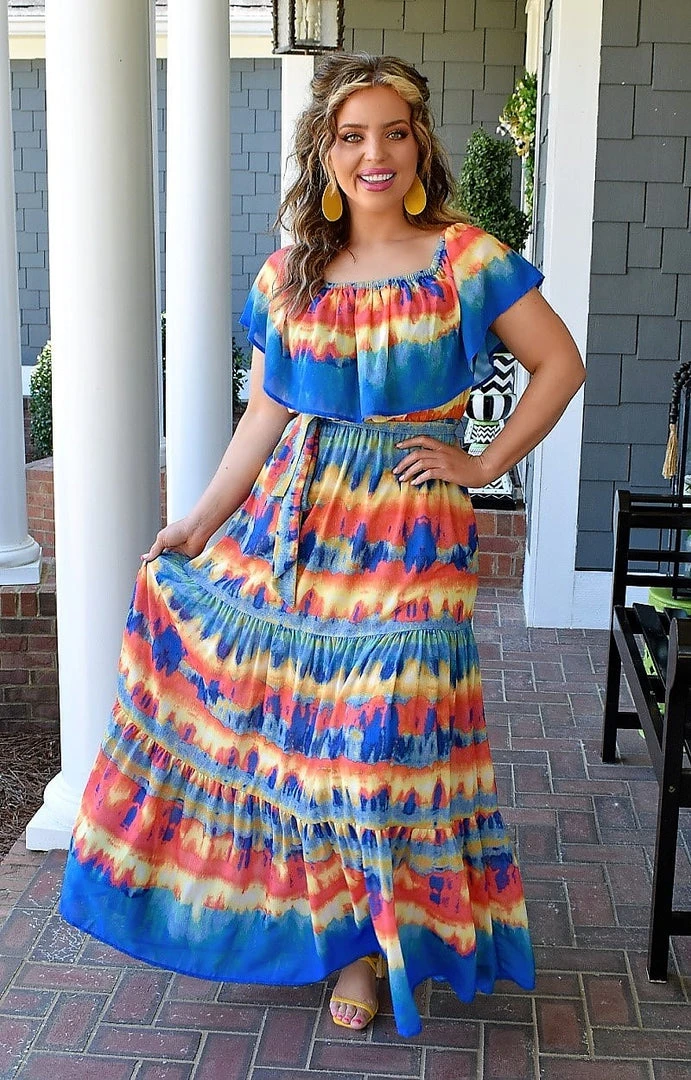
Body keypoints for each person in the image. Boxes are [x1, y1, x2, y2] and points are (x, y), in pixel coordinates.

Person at [59, 53, 586, 1039]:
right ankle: (338, 937)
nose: (373, 153)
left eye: (393, 133)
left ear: (418, 147)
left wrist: (483, 463)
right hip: (297, 530)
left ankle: (376, 943)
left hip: (412, 529)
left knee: (378, 751)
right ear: (325, 154)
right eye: (351, 136)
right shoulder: (290, 272)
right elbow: (266, 413)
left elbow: (559, 363)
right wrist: (199, 522)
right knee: (302, 744)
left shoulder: (465, 258)